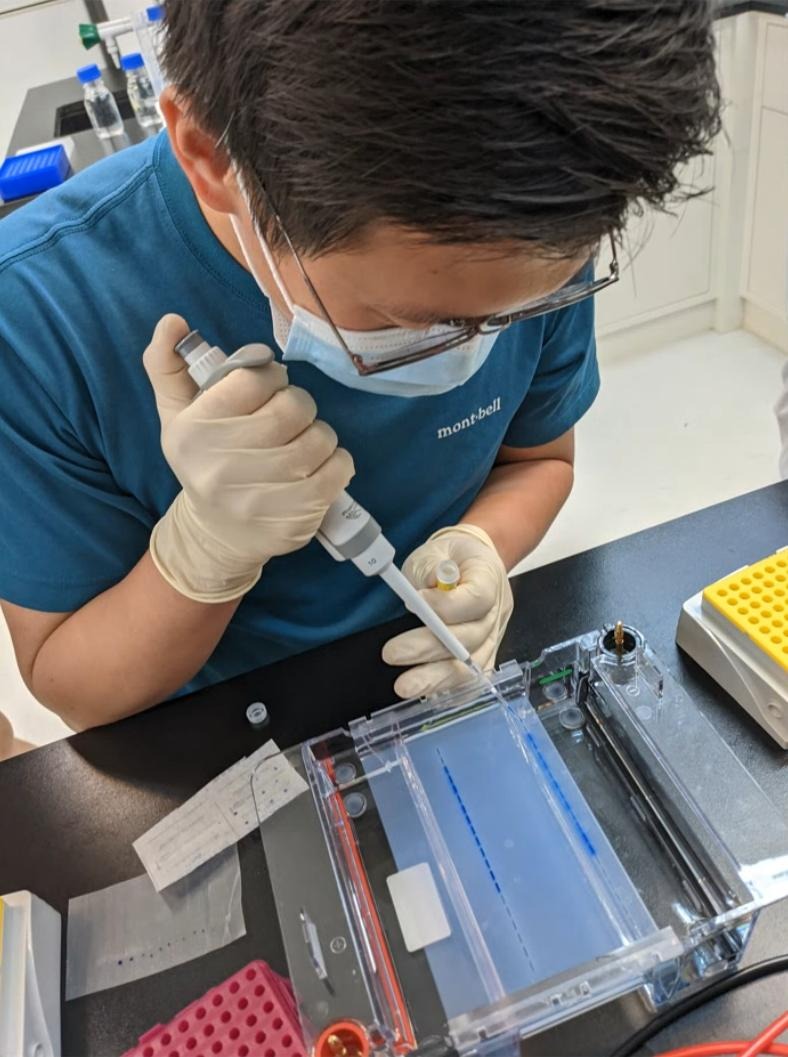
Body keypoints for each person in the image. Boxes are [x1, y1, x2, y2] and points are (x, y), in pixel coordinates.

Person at [0, 1, 720, 731]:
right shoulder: (35, 313)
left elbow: (540, 461)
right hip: (223, 725)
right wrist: (204, 550)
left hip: (444, 682)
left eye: (519, 310)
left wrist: (480, 548)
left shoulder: (540, 198)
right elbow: (72, 682)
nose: (478, 348)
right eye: (419, 319)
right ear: (214, 159)